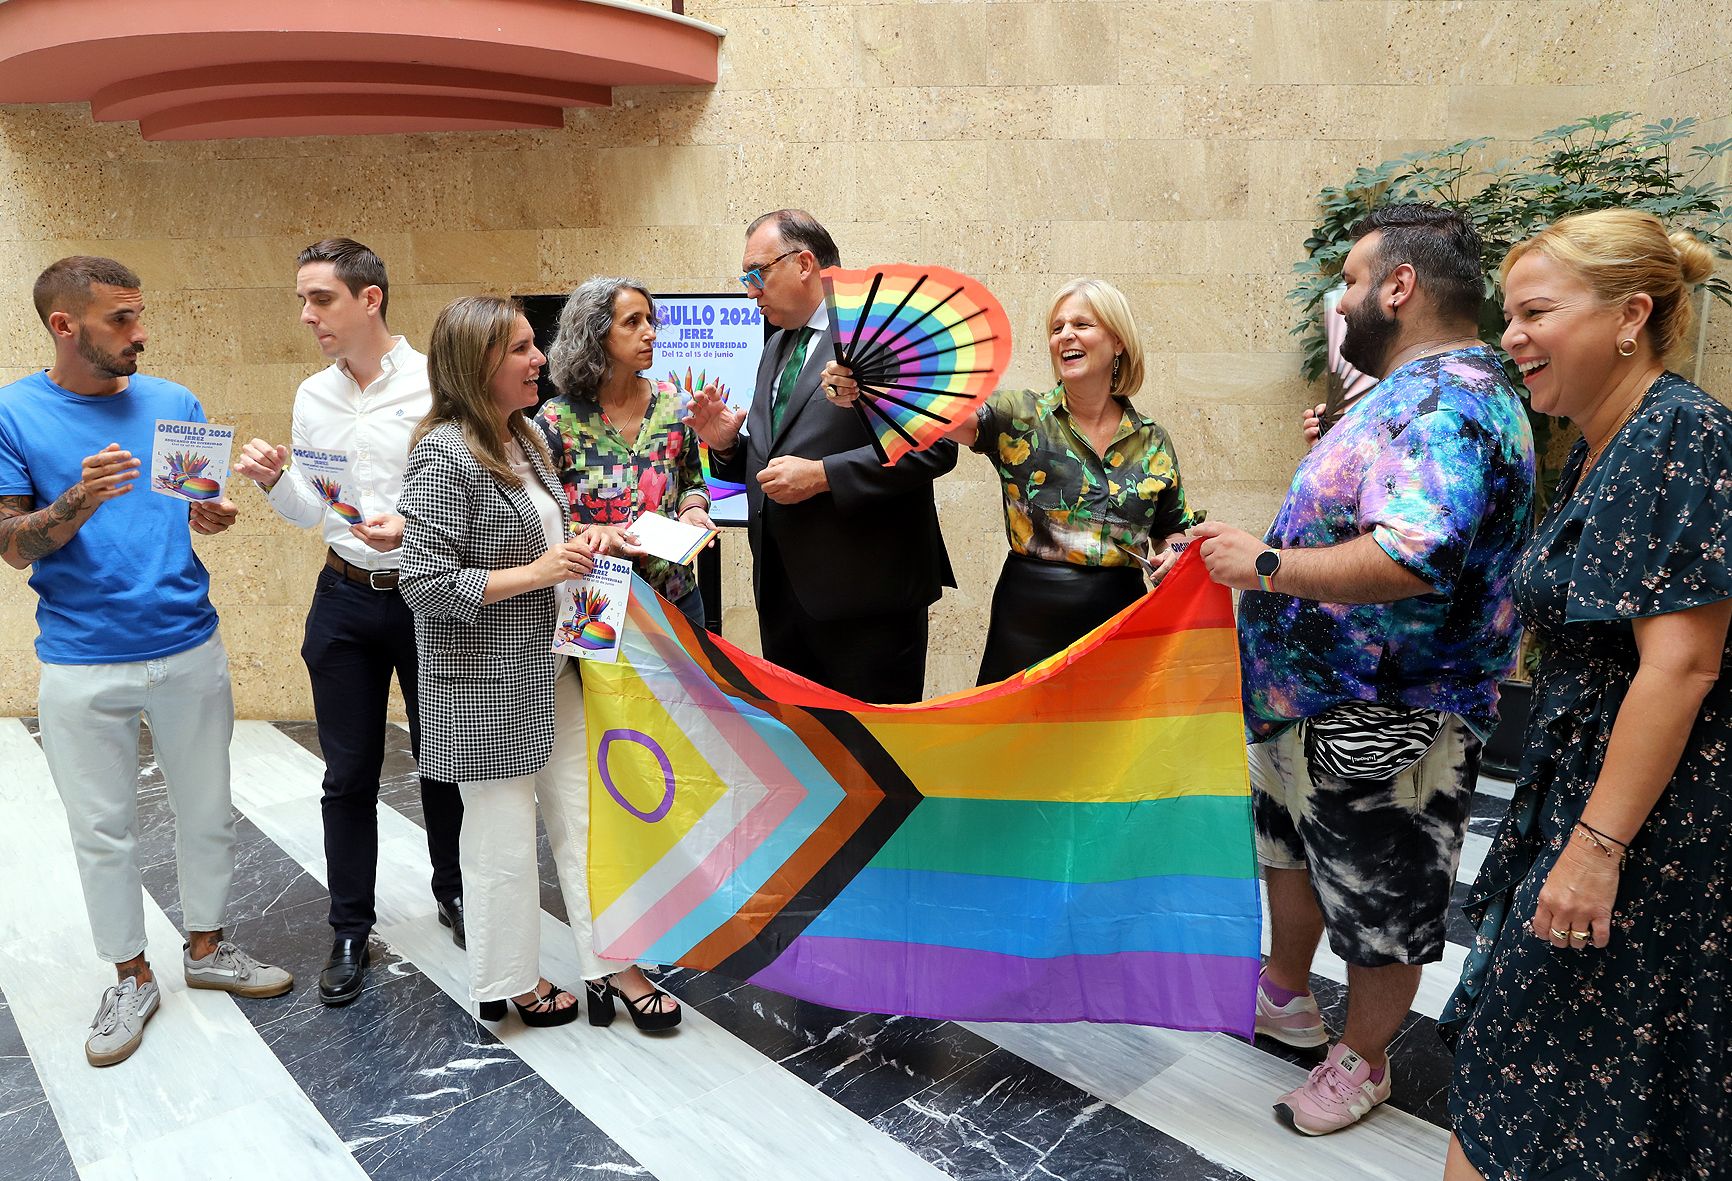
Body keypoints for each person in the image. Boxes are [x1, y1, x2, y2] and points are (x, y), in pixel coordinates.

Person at [1191, 204, 1534, 1135]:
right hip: (1312, 701)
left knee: (1384, 899)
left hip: (1387, 711)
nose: (1340, 302)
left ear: (1400, 285)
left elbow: (1415, 554)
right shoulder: (1404, 395)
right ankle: (1289, 998)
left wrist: (1264, 564)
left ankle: (1366, 1059)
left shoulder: (1446, 399)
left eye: (1349, 280)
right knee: (1294, 856)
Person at [1441, 210, 1731, 1181]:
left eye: (1534, 311)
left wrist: (1595, 851)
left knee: (1537, 1081)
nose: (1510, 335)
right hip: (1582, 801)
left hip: (1648, 835)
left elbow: (1682, 664)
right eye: (1505, 315)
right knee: (1531, 1079)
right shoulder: (1595, 444)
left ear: (1628, 315)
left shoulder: (1677, 431)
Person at [0, 257, 291, 1068]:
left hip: (189, 641)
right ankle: (130, 974)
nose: (141, 333)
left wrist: (210, 514)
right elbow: (12, 546)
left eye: (139, 315)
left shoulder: (172, 402)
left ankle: (206, 949)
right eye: (120, 319)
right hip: (81, 659)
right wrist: (78, 499)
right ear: (65, 326)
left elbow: (187, 507)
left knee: (208, 810)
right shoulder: (12, 413)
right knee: (103, 830)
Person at [397, 295, 680, 1032]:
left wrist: (593, 540)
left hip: (554, 663)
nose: (538, 361)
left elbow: (543, 532)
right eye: (522, 348)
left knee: (589, 821)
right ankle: (510, 982)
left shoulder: (525, 436)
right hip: (484, 681)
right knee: (499, 841)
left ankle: (610, 964)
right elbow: (424, 583)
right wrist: (540, 570)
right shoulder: (444, 453)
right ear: (478, 363)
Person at [232, 238, 464, 1008]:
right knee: (347, 774)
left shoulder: (439, 380)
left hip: (427, 595)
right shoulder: (312, 396)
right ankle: (349, 927)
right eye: (302, 300)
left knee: (444, 757)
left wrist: (419, 526)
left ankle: (456, 891)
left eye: (320, 298)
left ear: (371, 299)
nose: (307, 316)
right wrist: (276, 483)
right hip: (344, 599)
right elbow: (314, 510)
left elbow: (467, 491)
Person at [821, 277, 1195, 683]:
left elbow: (1174, 530)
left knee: (1110, 744)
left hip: (1121, 624)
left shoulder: (1153, 440)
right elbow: (945, 416)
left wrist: (1175, 552)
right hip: (1029, 620)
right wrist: (868, 388)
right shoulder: (1020, 414)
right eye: (1057, 328)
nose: (1066, 335)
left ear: (1119, 341)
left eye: (1082, 325)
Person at [684, 209, 956, 703]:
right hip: (784, 600)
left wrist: (824, 475)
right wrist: (726, 444)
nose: (751, 292)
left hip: (867, 604)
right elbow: (777, 465)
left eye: (757, 274)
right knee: (807, 757)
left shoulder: (882, 335)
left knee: (873, 762)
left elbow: (936, 448)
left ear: (804, 263)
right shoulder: (774, 346)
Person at [537, 276, 712, 629]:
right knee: (606, 689)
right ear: (595, 334)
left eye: (650, 320)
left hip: (675, 596)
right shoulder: (557, 419)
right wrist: (589, 532)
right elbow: (538, 519)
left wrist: (693, 509)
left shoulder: (675, 403)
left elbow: (693, 482)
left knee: (682, 687)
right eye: (632, 322)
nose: (650, 332)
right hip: (594, 601)